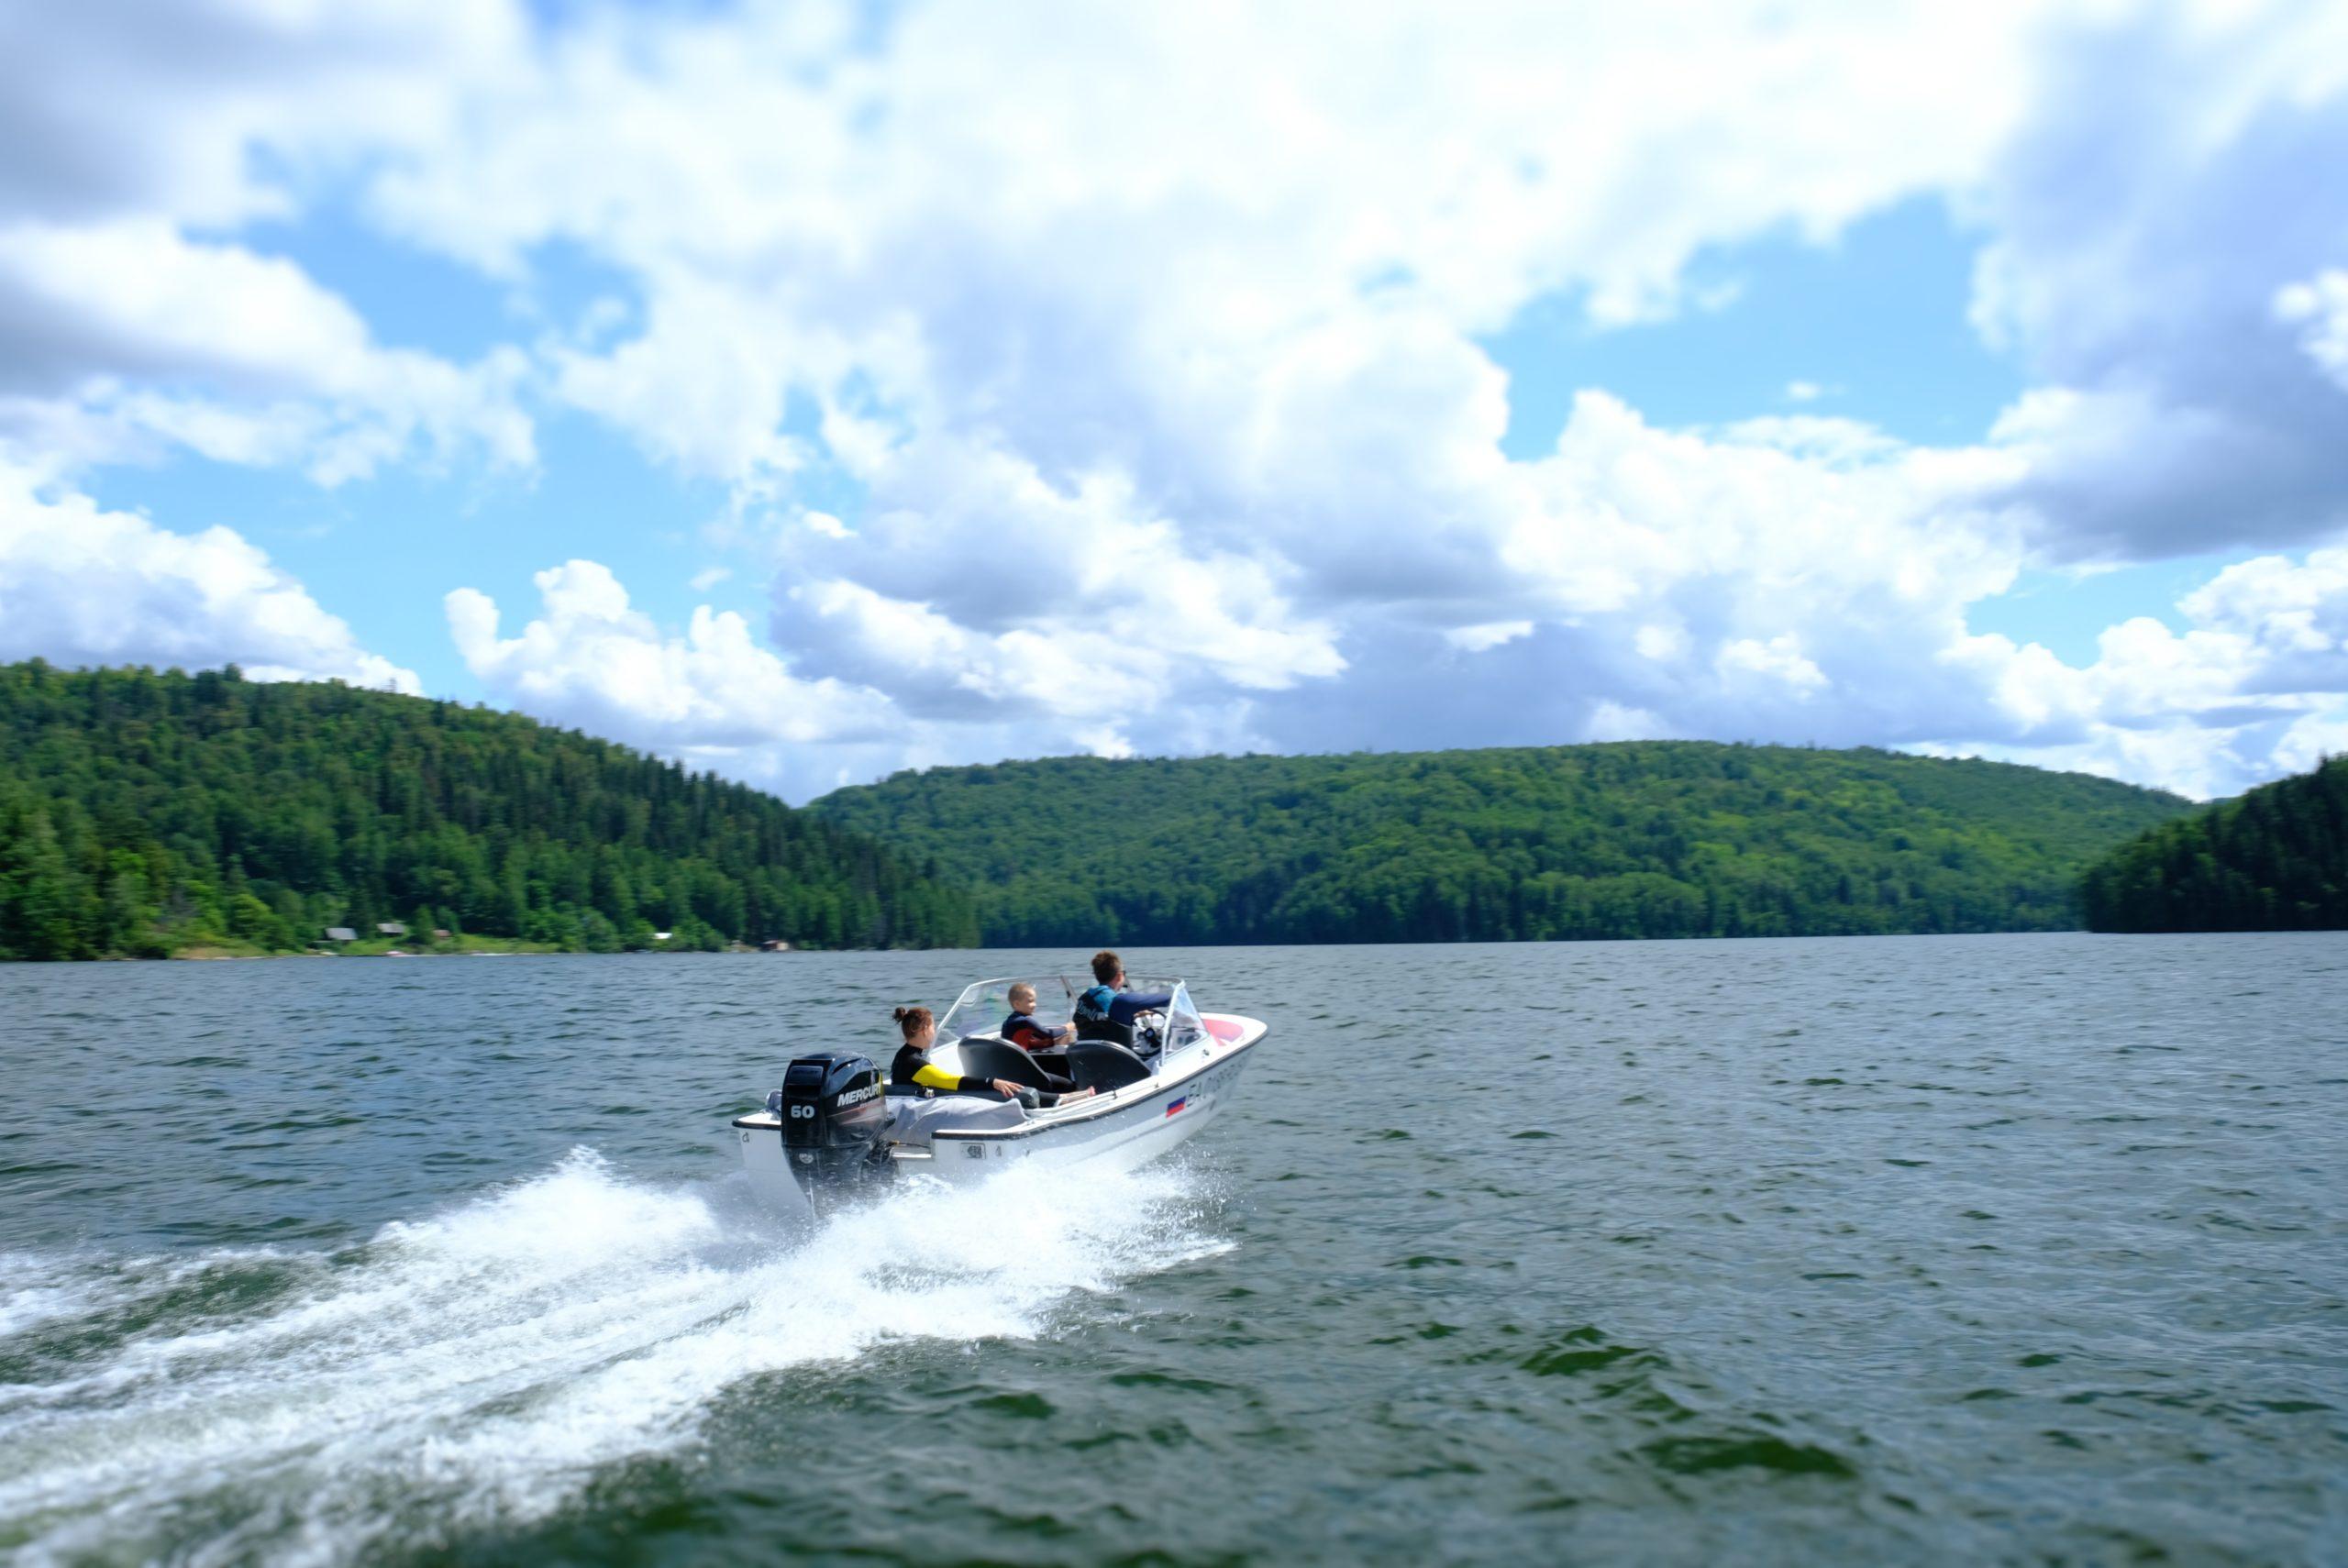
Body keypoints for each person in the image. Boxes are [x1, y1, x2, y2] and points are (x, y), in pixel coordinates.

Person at [889, 1005, 1090, 1106]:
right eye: (933, 1027)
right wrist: (992, 1082)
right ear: (924, 1030)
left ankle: (1063, 1097)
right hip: (936, 1110)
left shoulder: (902, 1057)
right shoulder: (914, 1063)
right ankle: (1063, 1099)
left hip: (922, 1105)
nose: (935, 1031)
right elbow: (952, 1081)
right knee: (1009, 1091)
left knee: (1005, 1089)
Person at [1071, 951, 1173, 1048]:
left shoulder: (1084, 999)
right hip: (1115, 1058)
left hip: (1085, 1056)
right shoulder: (1120, 1002)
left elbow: (1102, 1020)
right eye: (1124, 973)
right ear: (1119, 976)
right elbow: (1167, 999)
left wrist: (1133, 1014)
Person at [999, 981, 1076, 1052]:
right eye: (1030, 1001)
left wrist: (1055, 1042)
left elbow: (1028, 1044)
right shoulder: (1025, 1021)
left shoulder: (1009, 1022)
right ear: (1017, 1004)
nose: (1035, 1005)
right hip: (1018, 1061)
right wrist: (1067, 1028)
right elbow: (1049, 1034)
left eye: (1034, 1001)